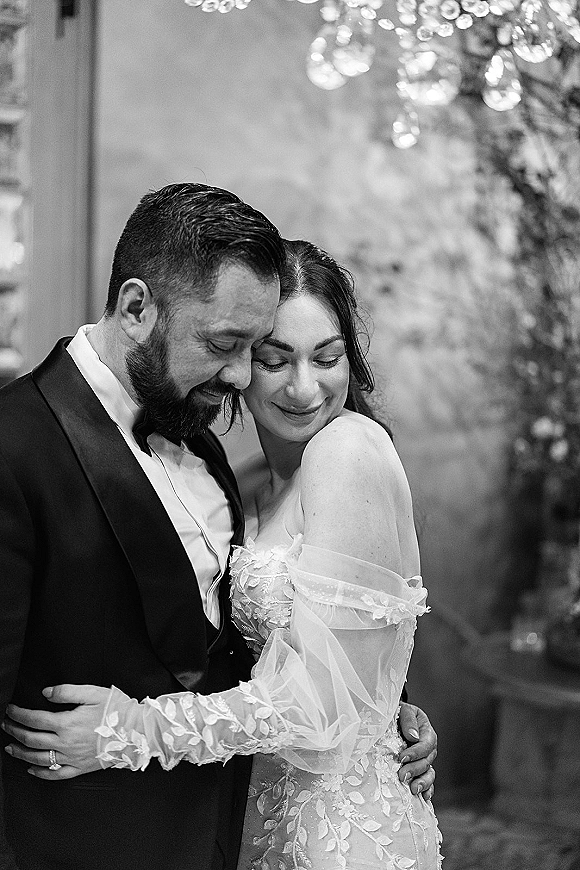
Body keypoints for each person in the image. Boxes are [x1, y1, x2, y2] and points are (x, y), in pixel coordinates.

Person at [3, 239, 440, 870]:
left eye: (328, 357)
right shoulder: (241, 472)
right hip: (248, 810)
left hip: (340, 832)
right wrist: (379, 698)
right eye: (271, 358)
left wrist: (128, 730)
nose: (304, 387)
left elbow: (325, 697)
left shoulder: (348, 452)